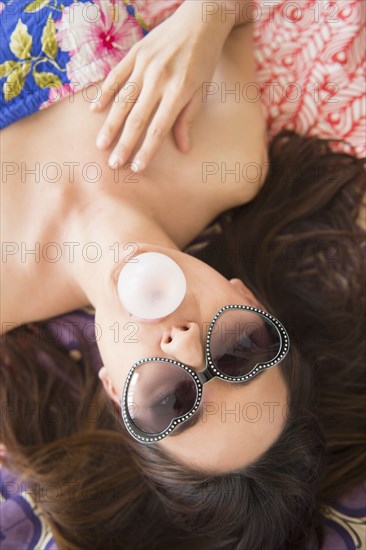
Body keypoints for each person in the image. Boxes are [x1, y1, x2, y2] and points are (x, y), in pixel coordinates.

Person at [1, 2, 365, 550]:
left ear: (113, 391)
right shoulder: (227, 161)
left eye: (173, 399)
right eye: (239, 350)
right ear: (249, 299)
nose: (187, 342)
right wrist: (205, 22)